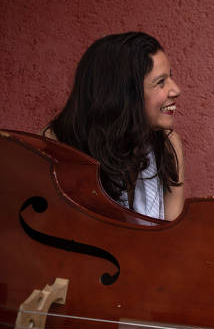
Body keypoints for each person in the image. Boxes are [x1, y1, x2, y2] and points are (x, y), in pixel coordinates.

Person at [44, 31, 184, 221]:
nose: (176, 90)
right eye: (160, 82)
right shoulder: (53, 147)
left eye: (170, 77)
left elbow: (171, 237)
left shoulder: (168, 144)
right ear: (123, 94)